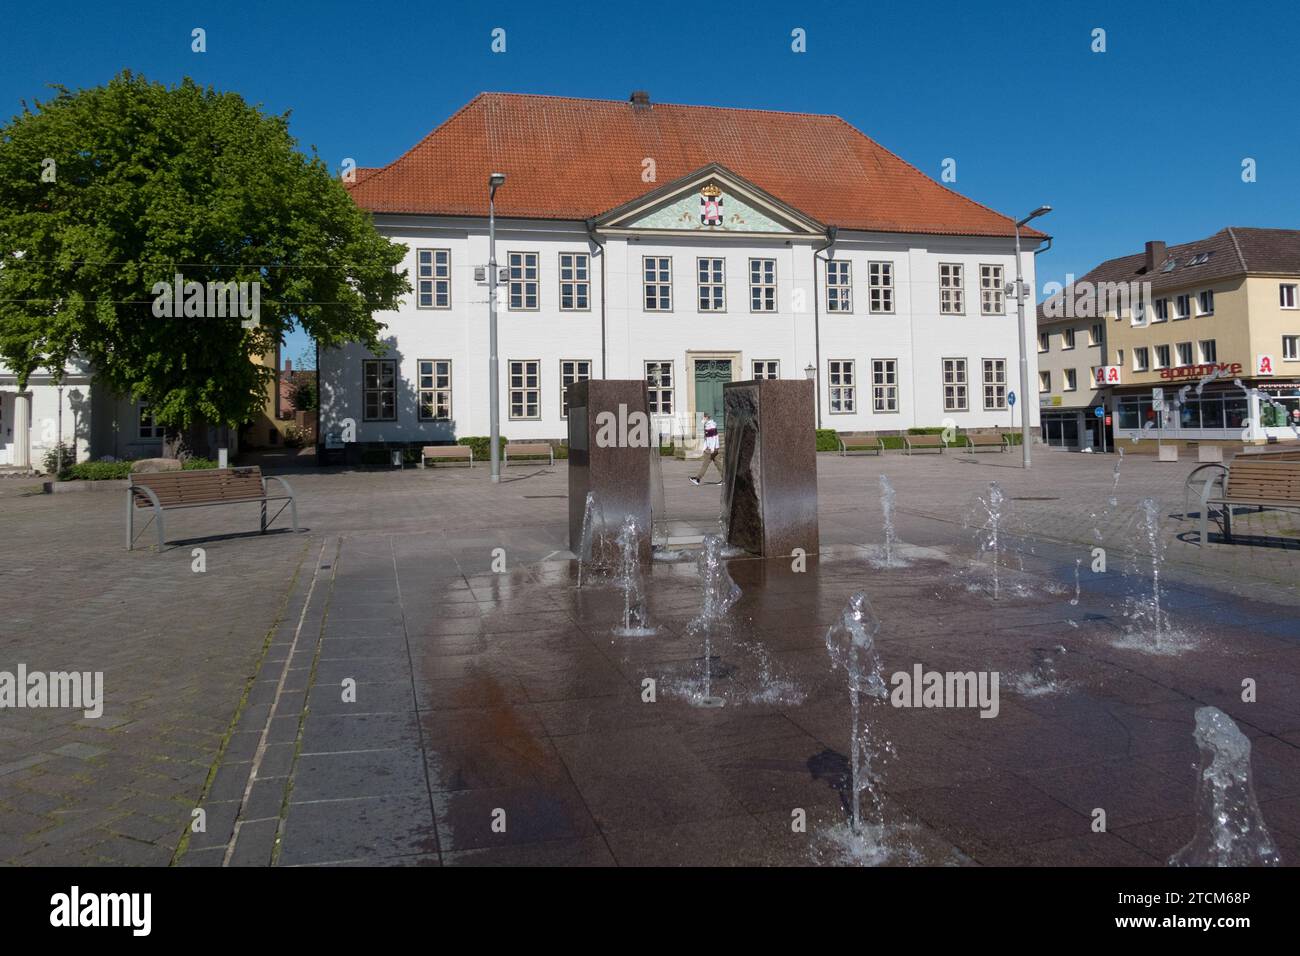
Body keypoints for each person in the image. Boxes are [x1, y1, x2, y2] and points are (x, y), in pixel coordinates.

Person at [689, 413, 722, 485]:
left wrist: (712, 449)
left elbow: (714, 438)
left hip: (712, 449)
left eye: (703, 418)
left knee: (705, 464)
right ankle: (726, 479)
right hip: (712, 448)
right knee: (718, 464)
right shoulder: (707, 425)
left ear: (706, 417)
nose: (701, 420)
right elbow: (707, 439)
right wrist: (704, 448)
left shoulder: (711, 425)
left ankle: (697, 479)